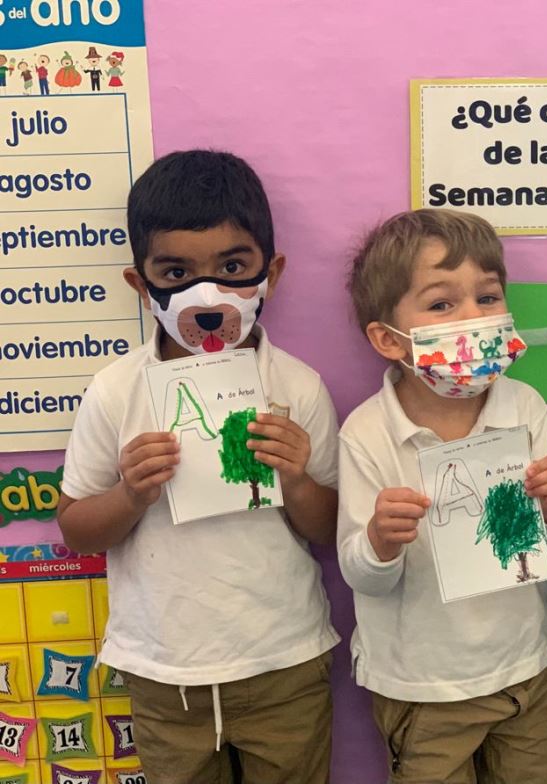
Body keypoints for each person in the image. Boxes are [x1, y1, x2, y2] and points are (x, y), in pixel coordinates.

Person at [57, 150, 339, 784]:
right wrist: (130, 495)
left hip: (285, 663)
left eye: (233, 267)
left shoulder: (297, 386)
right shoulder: (116, 391)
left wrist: (296, 479)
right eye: (176, 272)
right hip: (165, 673)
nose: (205, 295)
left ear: (272, 273)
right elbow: (75, 529)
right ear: (142, 285)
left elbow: (330, 529)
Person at [338, 208, 547, 783]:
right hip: (422, 689)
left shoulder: (524, 407)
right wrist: (379, 541)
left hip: (530, 672)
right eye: (442, 304)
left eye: (488, 297)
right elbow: (361, 575)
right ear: (388, 339)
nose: (473, 317)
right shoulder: (367, 432)